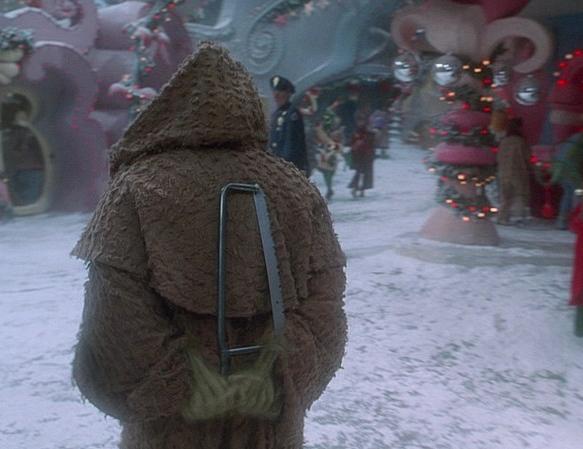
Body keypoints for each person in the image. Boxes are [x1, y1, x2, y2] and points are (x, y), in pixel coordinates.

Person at [71, 41, 347, 449]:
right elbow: (326, 306)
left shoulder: (135, 189)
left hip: (171, 431)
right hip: (270, 427)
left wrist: (187, 384)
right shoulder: (297, 190)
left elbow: (115, 329)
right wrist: (275, 375)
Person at [269, 74, 309, 175]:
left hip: (287, 169)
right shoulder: (276, 114)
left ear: (288, 94)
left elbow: (291, 145)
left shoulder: (292, 114)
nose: (276, 95)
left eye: (280, 91)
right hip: (275, 166)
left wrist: (282, 167)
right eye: (275, 91)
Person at [495, 117, 531, 225]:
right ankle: (518, 217)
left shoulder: (503, 141)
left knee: (505, 197)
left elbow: (498, 157)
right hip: (518, 172)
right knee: (520, 195)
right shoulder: (521, 141)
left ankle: (502, 217)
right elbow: (527, 157)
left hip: (503, 172)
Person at [347, 111, 376, 198]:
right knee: (358, 171)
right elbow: (352, 141)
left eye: (361, 121)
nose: (360, 123)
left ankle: (362, 189)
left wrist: (364, 142)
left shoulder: (368, 131)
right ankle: (355, 188)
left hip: (367, 155)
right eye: (358, 121)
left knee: (365, 173)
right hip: (358, 154)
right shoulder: (356, 130)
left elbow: (371, 142)